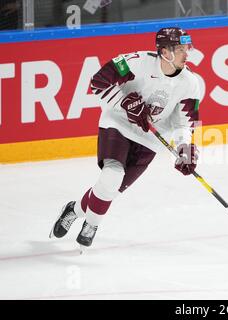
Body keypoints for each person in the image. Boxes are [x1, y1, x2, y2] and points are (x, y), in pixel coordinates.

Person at [49, 27, 201, 250]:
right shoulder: (137, 61)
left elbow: (183, 123)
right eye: (180, 49)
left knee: (109, 191)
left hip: (150, 140)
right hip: (118, 125)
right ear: (165, 52)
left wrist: (185, 148)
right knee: (111, 177)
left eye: (187, 48)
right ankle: (92, 224)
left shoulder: (191, 83)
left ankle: (73, 210)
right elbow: (98, 81)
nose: (186, 54)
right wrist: (125, 104)